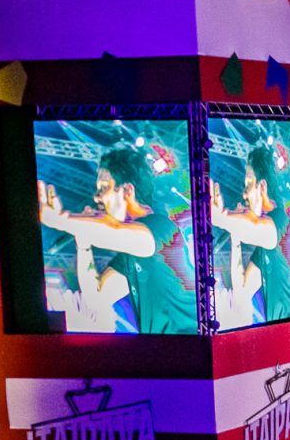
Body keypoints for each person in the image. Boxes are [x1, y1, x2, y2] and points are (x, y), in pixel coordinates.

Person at [38, 143, 197, 334]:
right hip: (164, 352)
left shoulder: (161, 228)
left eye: (104, 188)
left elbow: (113, 229)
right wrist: (83, 243)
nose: (96, 198)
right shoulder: (133, 252)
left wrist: (62, 220)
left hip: (187, 348)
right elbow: (97, 298)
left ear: (128, 191)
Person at [211, 141, 290, 329]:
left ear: (262, 187)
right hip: (278, 329)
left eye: (248, 185)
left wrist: (222, 218)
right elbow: (241, 290)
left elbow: (259, 229)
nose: (244, 195)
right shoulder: (264, 248)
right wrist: (236, 237)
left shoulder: (280, 220)